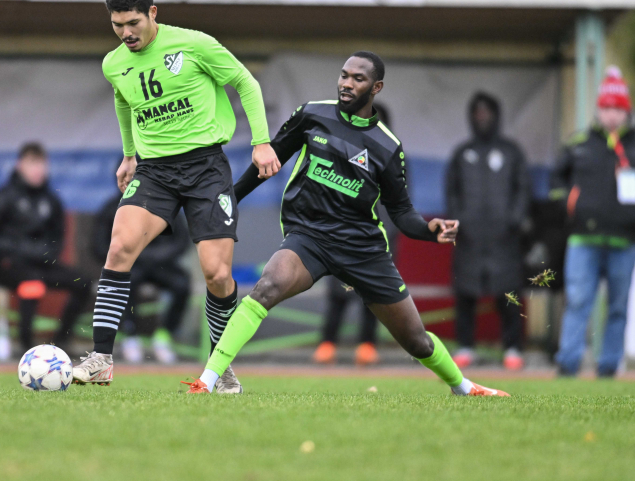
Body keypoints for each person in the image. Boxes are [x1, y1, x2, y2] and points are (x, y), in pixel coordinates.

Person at [183, 52, 509, 396]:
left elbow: (400, 212)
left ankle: (464, 387)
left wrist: (430, 230)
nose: (346, 84)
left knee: (416, 341)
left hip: (362, 248)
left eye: (358, 79)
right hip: (309, 237)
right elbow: (269, 160)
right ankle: (208, 380)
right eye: (344, 75)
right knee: (267, 287)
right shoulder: (312, 115)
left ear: (376, 87)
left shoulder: (387, 146)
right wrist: (230, 199)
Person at [72, 0, 280, 391]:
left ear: (152, 13)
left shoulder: (195, 44)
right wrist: (130, 154)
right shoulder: (114, 63)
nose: (126, 33)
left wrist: (261, 142)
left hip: (206, 169)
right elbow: (122, 99)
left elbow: (245, 82)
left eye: (133, 22)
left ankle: (220, 367)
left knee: (217, 274)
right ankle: (101, 359)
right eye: (117, 25)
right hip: (155, 172)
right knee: (118, 248)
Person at [551, 66, 635, 377]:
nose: (611, 115)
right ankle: (568, 363)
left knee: (617, 307)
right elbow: (557, 179)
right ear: (598, 109)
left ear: (626, 111)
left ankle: (608, 367)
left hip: (624, 241)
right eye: (606, 108)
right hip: (582, 241)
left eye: (617, 109)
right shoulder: (578, 143)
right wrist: (568, 202)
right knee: (578, 301)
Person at [0, 142, 92, 353]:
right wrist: (16, 249)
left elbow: (58, 238)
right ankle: (27, 347)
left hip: (42, 264)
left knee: (82, 282)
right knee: (32, 282)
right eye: (32, 164)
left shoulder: (51, 200)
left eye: (41, 164)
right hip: (6, 265)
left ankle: (60, 342)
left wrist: (45, 253)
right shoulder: (3, 198)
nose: (38, 170)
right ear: (20, 166)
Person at [445, 92, 531, 370]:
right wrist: (459, 221)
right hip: (469, 238)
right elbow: (451, 192)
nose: (482, 118)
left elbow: (523, 190)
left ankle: (513, 349)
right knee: (465, 294)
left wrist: (514, 220)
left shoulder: (511, 152)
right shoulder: (461, 153)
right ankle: (466, 347)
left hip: (504, 238)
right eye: (477, 113)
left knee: (508, 294)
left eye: (487, 113)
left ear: (496, 116)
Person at [312, 103, 397, 367]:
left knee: (373, 294)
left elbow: (401, 205)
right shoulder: (344, 150)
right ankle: (327, 343)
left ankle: (367, 345)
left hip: (377, 238)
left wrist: (387, 236)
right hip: (343, 233)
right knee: (337, 292)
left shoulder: (395, 158)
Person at [91, 182, 192, 364]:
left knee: (182, 284)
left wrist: (155, 256)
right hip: (130, 265)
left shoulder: (167, 202)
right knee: (120, 283)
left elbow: (182, 240)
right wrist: (129, 256)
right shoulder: (113, 207)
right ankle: (130, 336)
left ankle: (164, 336)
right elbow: (98, 245)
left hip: (160, 264)